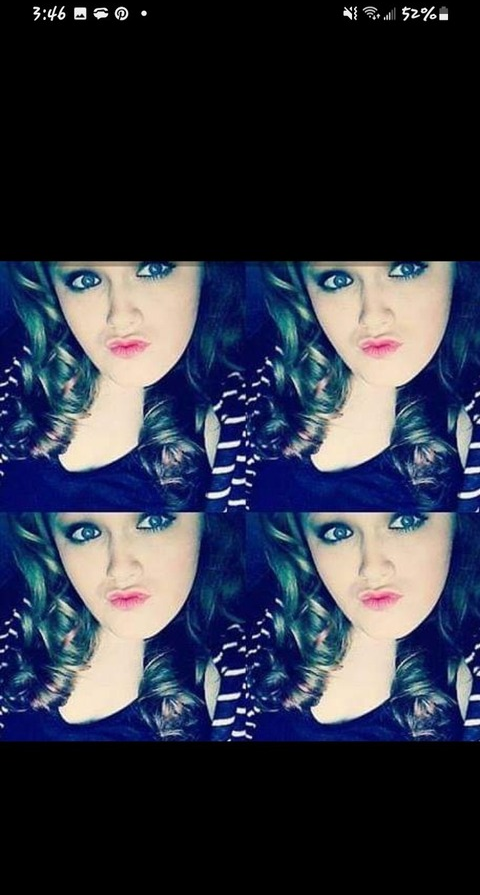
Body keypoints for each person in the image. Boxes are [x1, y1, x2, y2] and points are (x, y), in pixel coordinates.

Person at [0, 261, 246, 511]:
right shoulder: (14, 381)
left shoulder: (235, 425)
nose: (120, 317)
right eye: (86, 280)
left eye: (154, 269)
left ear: (207, 271)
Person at [247, 261, 480, 511]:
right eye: (338, 280)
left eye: (406, 269)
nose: (372, 317)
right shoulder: (257, 385)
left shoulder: (466, 432)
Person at [0, 511, 246, 741]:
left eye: (154, 521)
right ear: (52, 540)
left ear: (207, 523)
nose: (120, 569)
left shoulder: (231, 681)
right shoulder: (14, 637)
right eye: (86, 533)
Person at [247, 511, 480, 741]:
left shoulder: (464, 679)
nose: (372, 569)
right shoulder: (260, 636)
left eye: (405, 521)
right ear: (304, 540)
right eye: (338, 533)